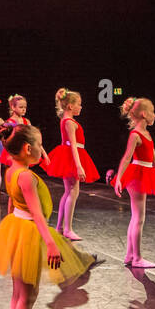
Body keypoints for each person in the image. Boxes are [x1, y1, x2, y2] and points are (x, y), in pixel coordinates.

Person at [0, 125, 95, 309]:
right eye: (40, 146)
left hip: (17, 229)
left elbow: (12, 204)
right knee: (28, 296)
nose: (43, 151)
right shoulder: (25, 177)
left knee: (18, 294)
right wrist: (51, 243)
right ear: (27, 148)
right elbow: (38, 215)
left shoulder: (12, 170)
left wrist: (10, 229)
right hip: (29, 232)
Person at [113, 96, 155, 269]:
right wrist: (119, 178)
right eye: (152, 112)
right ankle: (137, 257)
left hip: (145, 170)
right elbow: (127, 157)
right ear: (143, 114)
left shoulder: (146, 133)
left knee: (137, 217)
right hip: (136, 174)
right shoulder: (135, 134)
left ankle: (130, 255)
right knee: (139, 218)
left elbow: (152, 150)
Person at [45, 87, 99, 240]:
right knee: (72, 192)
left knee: (69, 191)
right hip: (70, 156)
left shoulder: (68, 120)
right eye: (79, 104)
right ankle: (67, 228)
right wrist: (78, 166)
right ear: (70, 106)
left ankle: (60, 227)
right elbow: (73, 145)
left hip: (70, 154)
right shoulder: (69, 122)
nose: (80, 107)